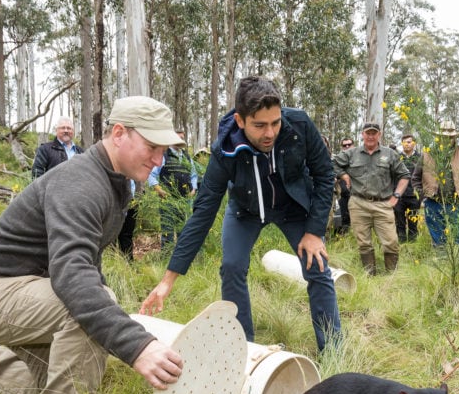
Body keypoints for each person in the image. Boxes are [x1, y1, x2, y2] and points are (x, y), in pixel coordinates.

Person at [0, 96, 185, 394]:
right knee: (87, 314)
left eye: (164, 150)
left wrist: (111, 330)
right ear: (119, 134)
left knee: (71, 388)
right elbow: (74, 276)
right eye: (152, 147)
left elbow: (86, 263)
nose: (159, 160)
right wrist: (137, 346)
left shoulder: (117, 185)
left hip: (32, 292)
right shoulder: (80, 182)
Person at [142, 76, 341, 353]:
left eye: (275, 122)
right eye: (259, 125)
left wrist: (314, 232)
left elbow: (324, 174)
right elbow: (203, 213)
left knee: (317, 267)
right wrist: (168, 280)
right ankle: (244, 348)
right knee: (232, 266)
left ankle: (333, 352)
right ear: (240, 120)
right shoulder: (224, 150)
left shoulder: (300, 125)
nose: (270, 133)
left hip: (293, 207)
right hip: (245, 210)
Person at [332, 122, 410, 274]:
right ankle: (370, 276)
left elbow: (405, 175)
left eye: (374, 133)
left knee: (391, 243)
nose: (371, 136)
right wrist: (343, 175)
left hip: (382, 204)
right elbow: (332, 164)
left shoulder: (389, 154)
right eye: (368, 133)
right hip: (358, 204)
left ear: (379, 134)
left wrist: (396, 195)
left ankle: (391, 276)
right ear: (362, 134)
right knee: (364, 243)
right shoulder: (351, 153)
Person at [411, 124, 459, 249]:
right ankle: (442, 263)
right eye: (443, 137)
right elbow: (415, 178)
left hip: (456, 203)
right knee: (438, 240)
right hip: (433, 204)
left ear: (455, 137)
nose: (447, 140)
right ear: (438, 137)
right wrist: (423, 197)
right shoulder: (427, 154)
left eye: (450, 137)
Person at [148, 130, 198, 251]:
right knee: (167, 229)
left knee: (183, 228)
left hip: (184, 200)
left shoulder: (186, 157)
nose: (180, 140)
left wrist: (194, 188)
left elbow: (193, 175)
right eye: (178, 137)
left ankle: (180, 257)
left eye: (182, 138)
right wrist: (159, 189)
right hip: (168, 200)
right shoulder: (164, 155)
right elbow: (151, 174)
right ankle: (166, 257)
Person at [394, 132, 422, 243]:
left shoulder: (420, 158)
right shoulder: (397, 158)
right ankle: (401, 245)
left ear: (414, 143)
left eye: (409, 142)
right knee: (399, 223)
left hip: (414, 196)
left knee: (413, 224)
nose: (407, 144)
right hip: (399, 196)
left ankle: (412, 246)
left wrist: (422, 195)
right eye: (404, 142)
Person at [333, 137, 354, 235]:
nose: (347, 146)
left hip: (358, 193)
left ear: (353, 145)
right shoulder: (337, 159)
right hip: (343, 192)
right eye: (345, 145)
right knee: (343, 215)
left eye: (349, 144)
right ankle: (343, 235)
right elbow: (333, 172)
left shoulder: (360, 158)